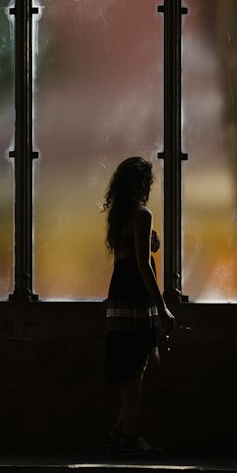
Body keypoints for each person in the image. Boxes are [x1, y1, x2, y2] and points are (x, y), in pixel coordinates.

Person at [103, 156, 175, 457]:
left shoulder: (119, 217)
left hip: (119, 290)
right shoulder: (143, 215)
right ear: (142, 184)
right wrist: (162, 307)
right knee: (137, 366)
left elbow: (130, 255)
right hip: (136, 292)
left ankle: (120, 433)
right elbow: (144, 265)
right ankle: (131, 436)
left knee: (132, 364)